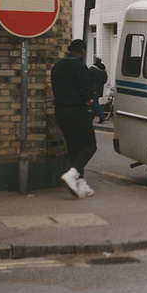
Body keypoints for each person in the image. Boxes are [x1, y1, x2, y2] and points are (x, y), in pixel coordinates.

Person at [51, 39, 97, 198]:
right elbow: (88, 91)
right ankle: (73, 174)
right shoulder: (80, 66)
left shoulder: (57, 67)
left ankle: (80, 184)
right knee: (90, 145)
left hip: (60, 111)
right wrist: (88, 98)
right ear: (82, 51)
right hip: (76, 110)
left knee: (74, 147)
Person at [89, 57, 108, 123]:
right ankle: (91, 118)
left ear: (95, 61)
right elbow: (105, 80)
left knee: (95, 102)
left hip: (93, 88)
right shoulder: (103, 70)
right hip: (100, 88)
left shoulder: (92, 69)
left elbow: (87, 78)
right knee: (95, 101)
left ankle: (102, 116)